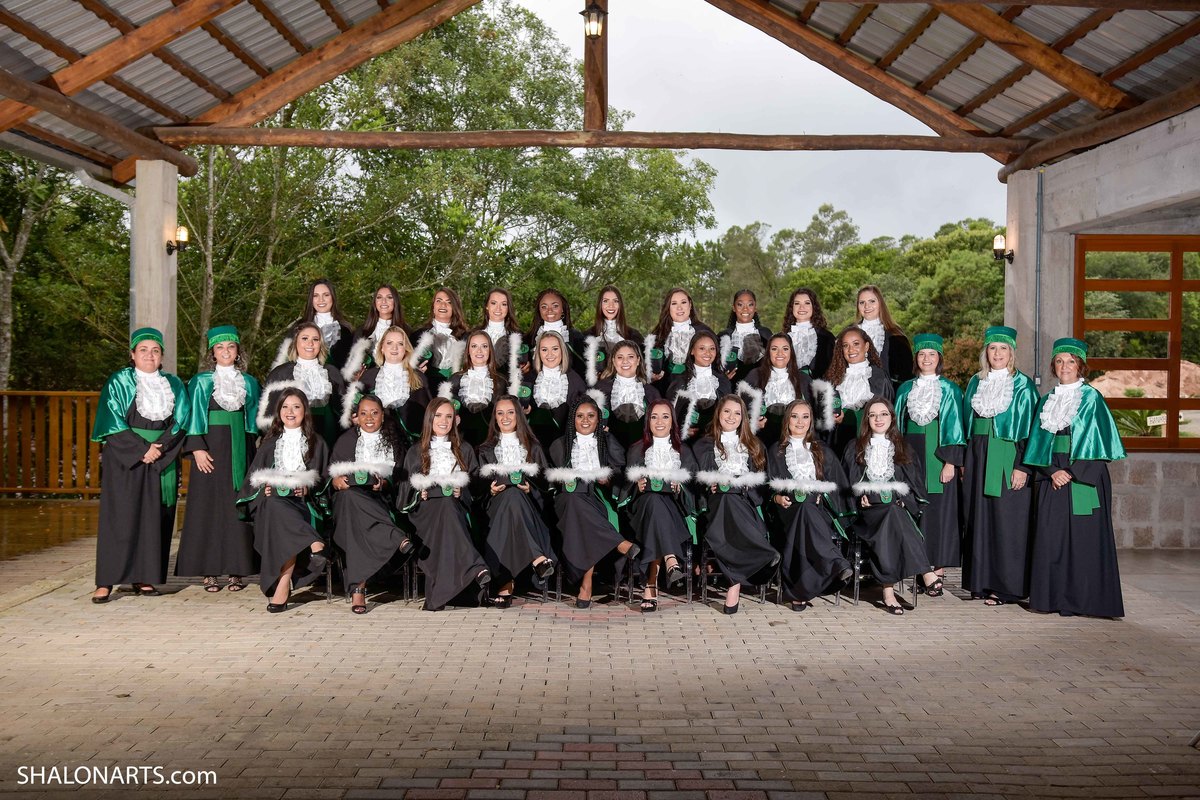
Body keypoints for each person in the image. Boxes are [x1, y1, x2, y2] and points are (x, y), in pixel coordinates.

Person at [1025, 338, 1126, 619]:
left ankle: (1084, 601)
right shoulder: (1046, 400)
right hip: (1052, 476)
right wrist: (1051, 471)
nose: (1065, 366)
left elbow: (1101, 444)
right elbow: (1037, 445)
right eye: (1059, 361)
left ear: (1080, 366)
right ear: (1053, 366)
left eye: (1070, 361)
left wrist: (1071, 472)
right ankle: (1051, 598)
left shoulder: (1092, 398)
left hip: (1083, 476)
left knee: (1083, 541)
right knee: (1051, 538)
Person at [90, 327, 189, 603]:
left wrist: (159, 449)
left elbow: (182, 421)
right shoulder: (119, 381)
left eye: (155, 351)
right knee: (120, 518)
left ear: (162, 356)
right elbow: (111, 421)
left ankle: (144, 576)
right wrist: (142, 449)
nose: (149, 355)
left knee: (153, 519)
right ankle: (106, 581)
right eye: (143, 350)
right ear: (132, 354)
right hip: (126, 458)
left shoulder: (174, 384)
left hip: (161, 456)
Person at [175, 326, 261, 594]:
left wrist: (252, 453)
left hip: (240, 449)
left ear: (238, 352)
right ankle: (209, 571)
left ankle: (237, 569)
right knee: (208, 507)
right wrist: (197, 449)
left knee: (238, 506)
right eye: (220, 347)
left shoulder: (250, 383)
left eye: (230, 347)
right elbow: (191, 416)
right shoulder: (201, 381)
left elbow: (254, 422)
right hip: (209, 451)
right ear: (212, 352)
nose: (225, 351)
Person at [961, 326, 1039, 607]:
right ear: (986, 352)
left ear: (1011, 353)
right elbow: (966, 423)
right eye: (992, 348)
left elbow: (1032, 430)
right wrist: (965, 462)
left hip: (1007, 456)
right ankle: (980, 582)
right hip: (977, 455)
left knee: (1007, 522)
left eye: (1003, 348)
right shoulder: (975, 382)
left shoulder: (1023, 385)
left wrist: (1023, 467)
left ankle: (1007, 587)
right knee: (978, 519)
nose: (997, 354)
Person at [842, 398, 941, 615]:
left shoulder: (903, 448)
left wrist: (904, 500)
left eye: (884, 414)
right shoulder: (855, 447)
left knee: (893, 513)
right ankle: (925, 572)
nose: (878, 419)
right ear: (867, 419)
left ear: (892, 418)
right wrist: (859, 496)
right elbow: (847, 483)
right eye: (873, 415)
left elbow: (915, 485)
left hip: (895, 508)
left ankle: (888, 593)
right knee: (892, 515)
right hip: (867, 513)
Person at [236, 389, 329, 613]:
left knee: (282, 517)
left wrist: (308, 487)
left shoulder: (317, 443)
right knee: (275, 505)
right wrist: (265, 487)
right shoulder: (269, 444)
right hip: (271, 505)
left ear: (305, 411)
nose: (290, 412)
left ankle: (283, 585)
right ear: (278, 411)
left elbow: (325, 481)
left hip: (303, 505)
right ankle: (313, 542)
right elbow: (252, 482)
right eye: (285, 407)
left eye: (296, 407)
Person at [398, 398, 491, 611]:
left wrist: (462, 491)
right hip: (425, 511)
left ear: (455, 420)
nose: (444, 421)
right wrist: (419, 491)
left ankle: (437, 597)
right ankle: (474, 566)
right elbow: (403, 492)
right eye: (439, 416)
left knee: (448, 505)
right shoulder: (415, 451)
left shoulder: (465, 449)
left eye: (449, 416)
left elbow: (476, 488)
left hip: (454, 509)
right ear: (429, 419)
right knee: (444, 509)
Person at [546, 396, 639, 608]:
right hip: (567, 499)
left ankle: (586, 585)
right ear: (573, 419)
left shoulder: (607, 442)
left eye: (590, 416)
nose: (585, 420)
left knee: (582, 517)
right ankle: (618, 543)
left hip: (598, 497)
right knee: (574, 500)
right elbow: (551, 479)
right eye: (580, 416)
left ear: (599, 419)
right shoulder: (559, 445)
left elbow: (621, 474)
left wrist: (608, 480)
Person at [693, 394, 780, 614]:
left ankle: (734, 582)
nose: (731, 417)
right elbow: (696, 482)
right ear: (718, 414)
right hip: (715, 507)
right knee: (725, 497)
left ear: (743, 418)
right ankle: (759, 557)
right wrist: (710, 485)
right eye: (727, 411)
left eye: (737, 413)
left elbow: (762, 487)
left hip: (745, 505)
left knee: (732, 496)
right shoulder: (703, 445)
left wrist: (741, 486)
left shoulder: (755, 446)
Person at [766, 399, 854, 611]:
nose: (800, 422)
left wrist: (822, 495)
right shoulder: (776, 450)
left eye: (805, 417)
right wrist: (776, 498)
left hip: (817, 511)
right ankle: (834, 561)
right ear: (787, 420)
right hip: (786, 510)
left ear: (811, 421)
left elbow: (838, 486)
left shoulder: (822, 450)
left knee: (807, 510)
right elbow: (765, 485)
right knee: (802, 511)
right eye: (795, 416)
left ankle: (798, 592)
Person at [328, 394, 411, 614]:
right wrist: (336, 481)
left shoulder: (394, 441)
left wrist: (384, 483)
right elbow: (331, 476)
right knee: (349, 499)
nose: (369, 418)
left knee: (355, 518)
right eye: (363, 413)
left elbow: (402, 480)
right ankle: (393, 536)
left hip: (380, 502)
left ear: (383, 415)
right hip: (346, 501)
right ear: (356, 417)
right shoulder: (346, 440)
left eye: (374, 413)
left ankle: (359, 590)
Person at [893, 333, 966, 582]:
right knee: (914, 506)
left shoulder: (950, 389)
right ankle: (918, 563)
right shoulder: (905, 389)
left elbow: (955, 427)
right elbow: (897, 426)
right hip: (911, 453)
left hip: (938, 455)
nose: (926, 359)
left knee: (939, 510)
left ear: (939, 358)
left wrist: (950, 462)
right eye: (922, 354)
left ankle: (938, 566)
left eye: (932, 354)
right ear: (916, 358)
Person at [474, 396, 557, 608]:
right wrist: (490, 490)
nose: (505, 417)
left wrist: (531, 489)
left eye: (510, 412)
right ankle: (537, 558)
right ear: (494, 418)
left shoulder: (533, 448)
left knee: (515, 496)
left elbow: (547, 487)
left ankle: (505, 583)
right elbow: (476, 490)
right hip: (495, 508)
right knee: (510, 497)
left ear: (518, 415)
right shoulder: (485, 450)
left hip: (528, 510)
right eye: (500, 413)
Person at [622, 399, 697, 611]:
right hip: (642, 511)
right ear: (648, 421)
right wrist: (637, 485)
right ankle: (671, 559)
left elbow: (693, 488)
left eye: (665, 417)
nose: (660, 422)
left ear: (673, 421)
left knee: (658, 507)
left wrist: (679, 487)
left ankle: (650, 585)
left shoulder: (683, 451)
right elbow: (625, 490)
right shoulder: (637, 450)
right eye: (654, 417)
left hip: (673, 512)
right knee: (653, 501)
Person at [260, 321, 346, 447]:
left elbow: (342, 409)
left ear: (321, 344)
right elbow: (269, 414)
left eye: (315, 339)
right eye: (305, 338)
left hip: (327, 434)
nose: (310, 343)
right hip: (292, 434)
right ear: (296, 342)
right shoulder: (280, 373)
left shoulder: (332, 372)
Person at [743, 333, 833, 448]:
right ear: (768, 352)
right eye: (774, 349)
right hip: (761, 439)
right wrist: (752, 424)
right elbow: (741, 410)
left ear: (791, 352)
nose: (780, 353)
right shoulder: (754, 376)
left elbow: (814, 416)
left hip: (796, 441)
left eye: (785, 349)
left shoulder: (804, 379)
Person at [349, 327, 431, 443]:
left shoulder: (418, 377)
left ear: (406, 349)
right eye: (389, 343)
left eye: (400, 344)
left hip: (409, 442)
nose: (394, 348)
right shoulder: (368, 376)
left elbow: (427, 415)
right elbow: (357, 410)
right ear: (382, 348)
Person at [825, 326, 893, 456]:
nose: (851, 350)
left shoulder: (879, 377)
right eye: (845, 345)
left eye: (856, 344)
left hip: (870, 438)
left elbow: (886, 413)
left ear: (866, 346)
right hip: (839, 440)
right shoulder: (834, 377)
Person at [440, 330, 508, 447]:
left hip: (492, 440)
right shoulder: (455, 379)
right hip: (461, 442)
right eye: (474, 346)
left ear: (490, 351)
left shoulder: (501, 381)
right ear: (468, 351)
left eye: (484, 346)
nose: (479, 351)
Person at [592, 339, 662, 451]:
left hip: (642, 451)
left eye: (630, 357)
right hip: (608, 450)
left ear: (638, 360)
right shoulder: (600, 389)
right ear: (613, 361)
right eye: (620, 357)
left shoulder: (651, 392)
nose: (625, 361)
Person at [523, 330, 587, 452]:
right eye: (544, 350)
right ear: (538, 352)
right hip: (532, 445)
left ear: (562, 351)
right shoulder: (527, 379)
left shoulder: (575, 380)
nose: (550, 354)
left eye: (555, 349)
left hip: (564, 445)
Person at [667, 330, 732, 441]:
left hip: (716, 440)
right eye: (702, 348)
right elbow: (668, 415)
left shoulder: (722, 381)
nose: (708, 353)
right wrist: (680, 432)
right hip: (685, 442)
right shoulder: (679, 381)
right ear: (692, 351)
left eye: (712, 349)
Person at [278, 278, 354, 371]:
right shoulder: (299, 327)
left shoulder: (345, 331)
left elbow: (348, 368)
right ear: (311, 299)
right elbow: (285, 360)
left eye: (326, 295)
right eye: (316, 295)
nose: (321, 300)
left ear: (333, 298)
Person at [648, 288, 714, 393]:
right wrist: (651, 376)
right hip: (665, 390)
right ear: (668, 307)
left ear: (690, 305)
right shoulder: (658, 334)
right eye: (674, 303)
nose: (679, 307)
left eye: (683, 302)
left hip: (698, 389)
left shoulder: (705, 332)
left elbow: (715, 362)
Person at [410, 287, 468, 397]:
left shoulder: (466, 338)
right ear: (433, 307)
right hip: (425, 390)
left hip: (455, 391)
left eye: (449, 302)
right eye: (439, 301)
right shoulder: (417, 336)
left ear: (454, 308)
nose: (443, 305)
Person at [344, 283, 408, 380]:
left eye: (389, 297)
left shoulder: (406, 331)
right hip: (367, 382)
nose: (383, 301)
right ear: (375, 302)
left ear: (395, 301)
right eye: (379, 297)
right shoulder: (362, 331)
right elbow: (352, 365)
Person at [855, 285, 912, 391]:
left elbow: (906, 376)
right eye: (862, 302)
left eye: (872, 301)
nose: (867, 306)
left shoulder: (896, 335)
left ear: (880, 303)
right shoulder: (848, 334)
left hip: (887, 396)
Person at [526, 288, 587, 378]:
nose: (549, 310)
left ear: (562, 309)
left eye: (555, 306)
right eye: (544, 307)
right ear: (539, 310)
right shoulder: (528, 339)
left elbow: (584, 369)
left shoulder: (576, 338)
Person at [718, 289, 771, 384]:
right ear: (734, 308)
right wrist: (722, 377)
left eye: (750, 304)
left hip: (760, 388)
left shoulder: (766, 334)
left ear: (755, 308)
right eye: (740, 304)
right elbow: (715, 366)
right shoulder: (723, 336)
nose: (745, 309)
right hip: (730, 390)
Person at [781, 287, 835, 379]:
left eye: (807, 303)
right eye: (797, 303)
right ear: (791, 307)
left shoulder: (826, 337)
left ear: (814, 307)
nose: (801, 307)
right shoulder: (782, 338)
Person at [480, 287, 528, 381]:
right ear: (487, 306)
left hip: (506, 386)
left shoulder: (519, 337)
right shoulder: (472, 335)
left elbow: (524, 366)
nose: (498, 308)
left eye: (504, 304)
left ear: (508, 308)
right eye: (493, 303)